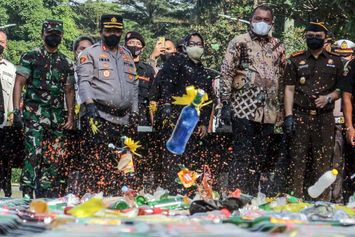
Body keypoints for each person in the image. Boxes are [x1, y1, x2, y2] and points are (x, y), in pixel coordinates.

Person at [220, 5, 286, 196]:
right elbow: (226, 71)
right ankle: (236, 194)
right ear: (251, 20)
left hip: (269, 111)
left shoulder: (278, 46)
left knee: (261, 156)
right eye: (258, 19)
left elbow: (282, 77)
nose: (262, 23)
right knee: (242, 153)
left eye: (266, 20)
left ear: (272, 23)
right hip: (243, 107)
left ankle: (252, 195)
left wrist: (282, 107)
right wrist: (224, 102)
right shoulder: (239, 42)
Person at [76, 14, 139, 196]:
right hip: (99, 116)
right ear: (101, 31)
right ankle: (94, 198)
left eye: (117, 30)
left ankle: (118, 198)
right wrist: (89, 105)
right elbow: (84, 82)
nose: (113, 33)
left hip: (124, 119)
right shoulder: (90, 53)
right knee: (98, 163)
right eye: (109, 30)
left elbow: (133, 85)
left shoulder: (127, 55)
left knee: (123, 164)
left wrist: (135, 111)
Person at [13, 20, 75, 198]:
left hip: (56, 118)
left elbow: (69, 90)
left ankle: (45, 192)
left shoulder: (66, 62)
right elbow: (19, 83)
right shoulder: (30, 56)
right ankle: (26, 190)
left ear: (62, 36)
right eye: (50, 33)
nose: (53, 36)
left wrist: (70, 117)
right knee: (33, 153)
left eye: (57, 34)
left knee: (53, 156)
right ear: (43, 34)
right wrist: (16, 111)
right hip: (33, 115)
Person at [283, 20, 343, 200]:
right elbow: (289, 88)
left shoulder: (336, 61)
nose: (314, 39)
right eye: (310, 36)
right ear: (305, 38)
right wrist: (288, 116)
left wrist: (329, 98)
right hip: (300, 116)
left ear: (325, 39)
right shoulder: (296, 60)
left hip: (325, 119)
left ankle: (321, 202)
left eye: (318, 36)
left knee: (323, 161)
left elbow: (342, 89)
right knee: (297, 160)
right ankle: (295, 199)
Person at [154, 32, 218, 194]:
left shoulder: (203, 70)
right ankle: (171, 191)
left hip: (193, 121)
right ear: (185, 46)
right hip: (174, 119)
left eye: (200, 44)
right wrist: (167, 107)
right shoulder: (175, 62)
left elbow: (207, 98)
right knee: (172, 157)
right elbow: (166, 86)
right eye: (193, 43)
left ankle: (187, 191)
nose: (196, 47)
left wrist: (204, 122)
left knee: (190, 158)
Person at [124, 31, 155, 191]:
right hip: (122, 117)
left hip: (142, 120)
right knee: (123, 155)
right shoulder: (119, 65)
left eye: (138, 43)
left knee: (140, 156)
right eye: (131, 42)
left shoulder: (147, 70)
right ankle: (123, 189)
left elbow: (152, 99)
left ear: (142, 48)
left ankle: (140, 190)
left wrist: (153, 121)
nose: (134, 46)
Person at [65, 36, 94, 195]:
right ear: (75, 51)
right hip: (67, 118)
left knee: (85, 156)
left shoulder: (97, 70)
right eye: (81, 48)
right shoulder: (68, 68)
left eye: (89, 48)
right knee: (68, 157)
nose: (85, 51)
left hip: (87, 117)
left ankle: (85, 191)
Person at [329, 39, 355, 203]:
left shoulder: (352, 69)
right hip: (332, 122)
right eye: (339, 55)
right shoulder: (329, 67)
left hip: (350, 123)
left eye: (347, 55)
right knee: (335, 164)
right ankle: (335, 200)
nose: (344, 59)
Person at [0, 30, 16, 197]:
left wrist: (12, 117)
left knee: (5, 160)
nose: (0, 44)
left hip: (4, 122)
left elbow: (12, 94)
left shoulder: (11, 68)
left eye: (2, 42)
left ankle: (7, 192)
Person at [341, 43, 355, 202]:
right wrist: (349, 126)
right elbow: (346, 96)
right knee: (352, 168)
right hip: (354, 123)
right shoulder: (353, 65)